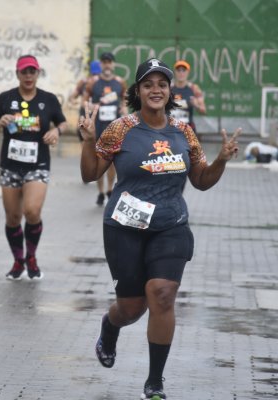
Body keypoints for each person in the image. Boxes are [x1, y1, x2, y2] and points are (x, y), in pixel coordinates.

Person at [79, 57, 241, 399]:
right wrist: (87, 139)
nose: (156, 90)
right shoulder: (121, 129)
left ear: (170, 92)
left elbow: (201, 181)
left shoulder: (183, 132)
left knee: (163, 294)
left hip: (170, 225)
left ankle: (154, 382)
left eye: (162, 84)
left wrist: (222, 160)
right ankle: (110, 327)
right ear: (137, 91)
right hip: (125, 227)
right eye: (148, 84)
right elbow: (90, 174)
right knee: (132, 308)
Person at [0, 54, 67, 281]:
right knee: (12, 217)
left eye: (32, 71)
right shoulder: (5, 98)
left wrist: (56, 131)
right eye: (24, 72)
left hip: (37, 164)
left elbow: (63, 122)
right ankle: (18, 260)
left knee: (32, 211)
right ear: (17, 74)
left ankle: (32, 257)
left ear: (38, 73)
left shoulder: (48, 100)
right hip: (10, 166)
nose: (28, 76)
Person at [83, 52, 127, 206]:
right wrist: (92, 106)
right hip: (98, 127)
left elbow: (125, 100)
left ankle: (109, 189)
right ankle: (100, 192)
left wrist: (124, 109)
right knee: (98, 160)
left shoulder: (120, 82)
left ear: (113, 64)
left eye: (109, 62)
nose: (107, 65)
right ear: (101, 65)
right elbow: (85, 102)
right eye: (104, 62)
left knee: (113, 162)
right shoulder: (93, 83)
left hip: (114, 128)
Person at [68, 60, 101, 144]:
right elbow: (73, 96)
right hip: (90, 114)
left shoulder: (85, 81)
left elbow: (72, 97)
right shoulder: (87, 81)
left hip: (93, 115)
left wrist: (74, 101)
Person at [170, 60, 206, 134]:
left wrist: (195, 105)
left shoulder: (194, 88)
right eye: (178, 70)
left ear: (188, 72)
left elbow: (203, 111)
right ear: (175, 72)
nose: (181, 73)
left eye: (184, 70)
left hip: (188, 130)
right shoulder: (169, 88)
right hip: (172, 129)